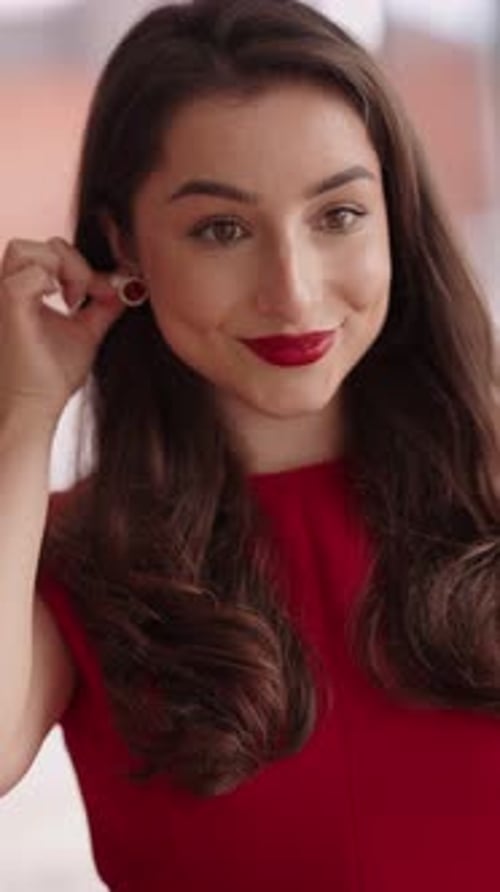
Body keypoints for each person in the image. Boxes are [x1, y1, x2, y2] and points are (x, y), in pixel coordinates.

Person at [0, 0, 498, 889]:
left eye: (338, 214)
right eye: (221, 229)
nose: (293, 292)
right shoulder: (67, 556)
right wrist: (26, 410)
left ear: (396, 216)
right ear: (124, 243)